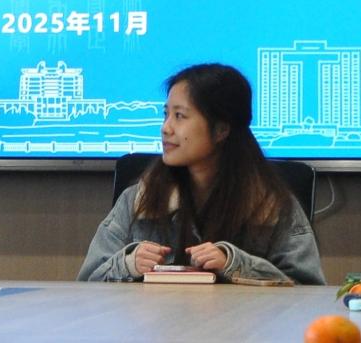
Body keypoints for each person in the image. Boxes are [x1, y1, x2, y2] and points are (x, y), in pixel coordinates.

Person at [77, 63, 325, 285]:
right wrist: (128, 264)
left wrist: (235, 265)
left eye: (179, 116)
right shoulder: (139, 199)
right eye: (166, 114)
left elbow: (308, 290)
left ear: (221, 130)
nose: (165, 128)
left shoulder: (272, 205)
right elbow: (86, 282)